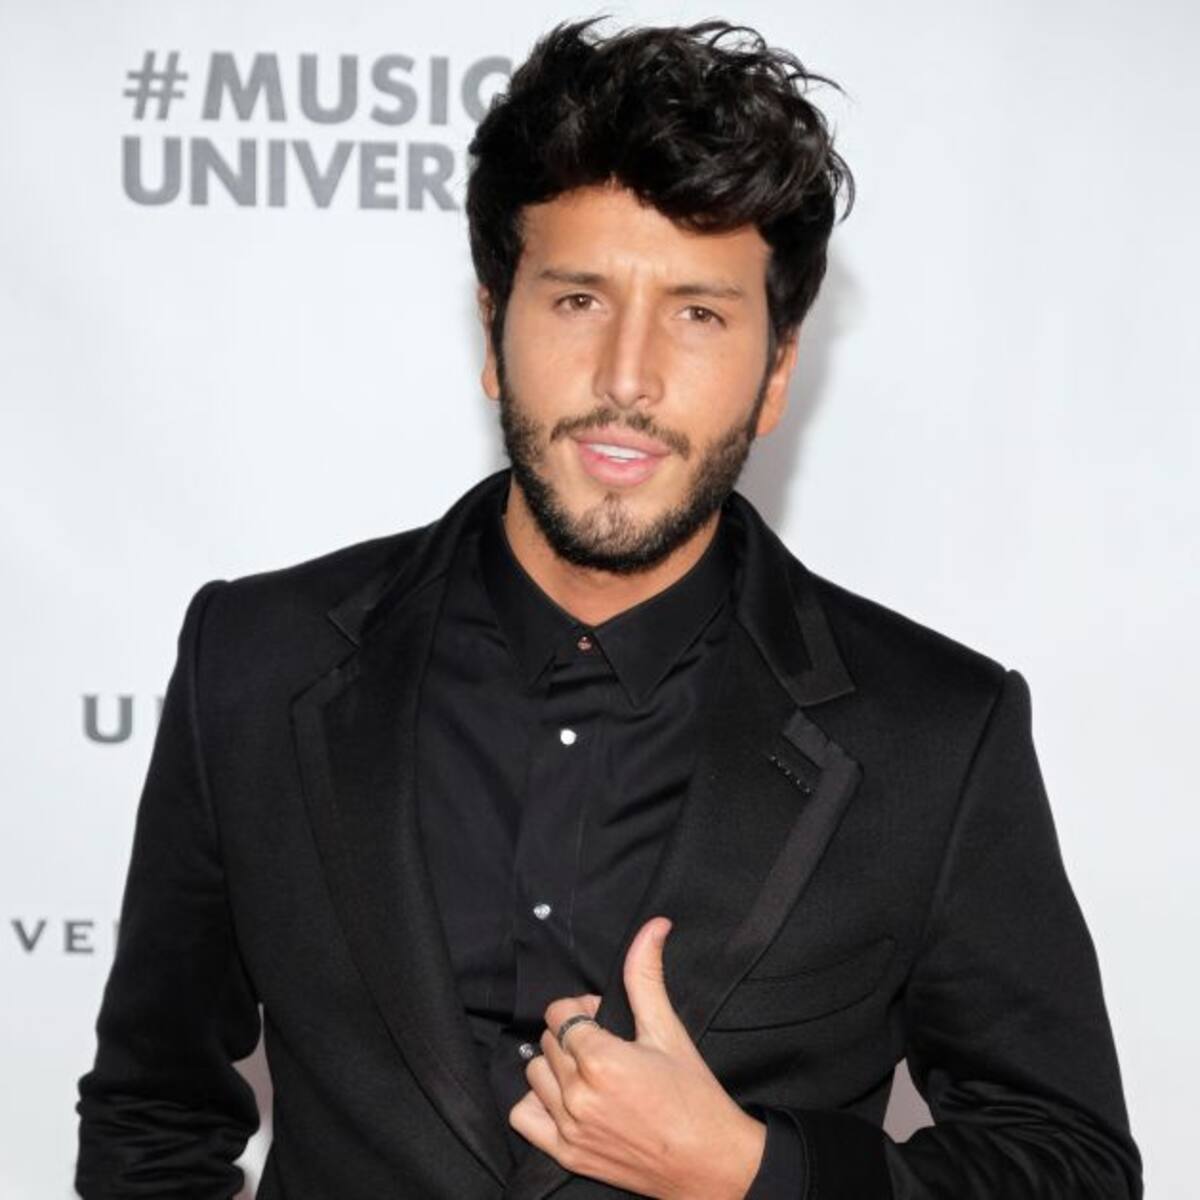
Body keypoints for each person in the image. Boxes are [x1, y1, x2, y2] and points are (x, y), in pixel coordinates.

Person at [75, 17, 1142, 1200]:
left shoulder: (934, 733)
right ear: (495, 330)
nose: (628, 378)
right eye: (580, 300)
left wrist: (752, 1169)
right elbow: (151, 1117)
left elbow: (1072, 1168)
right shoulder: (255, 662)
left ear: (777, 374)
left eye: (699, 313)